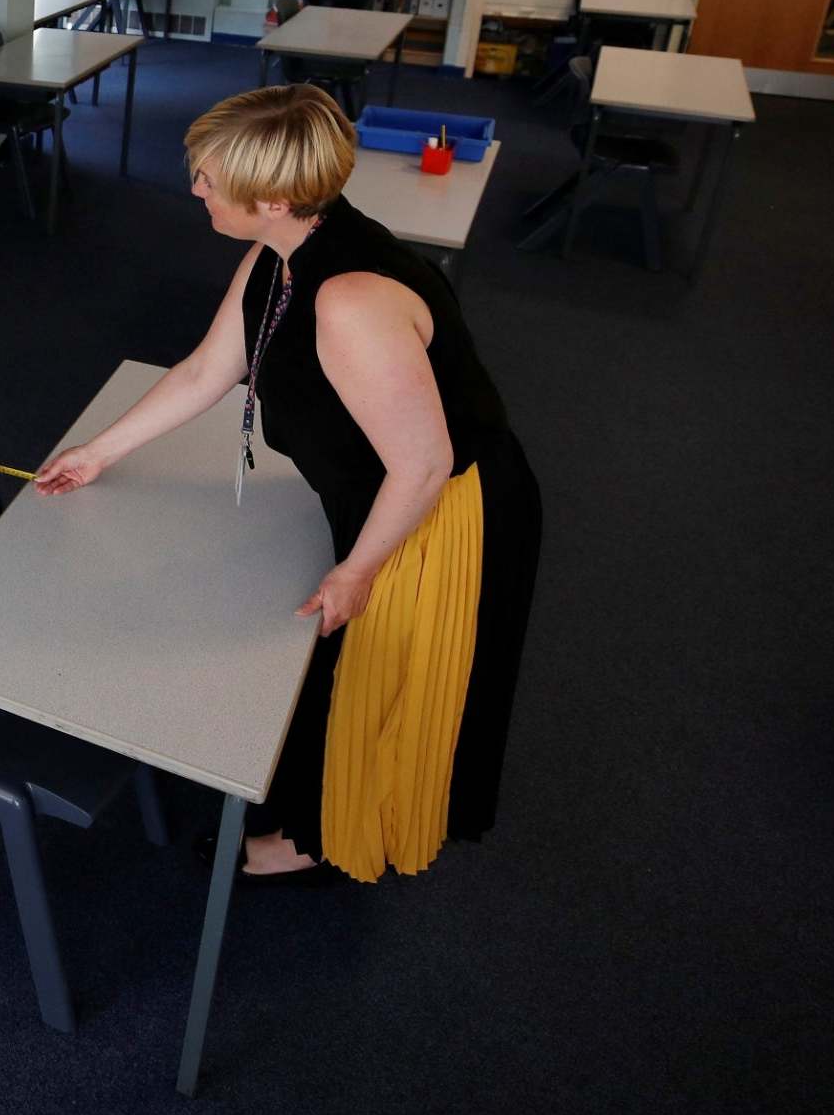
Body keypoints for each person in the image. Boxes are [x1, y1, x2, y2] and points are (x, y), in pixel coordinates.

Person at [34, 84, 541, 882]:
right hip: (378, 490)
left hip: (439, 513)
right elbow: (208, 370)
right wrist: (99, 453)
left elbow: (423, 466)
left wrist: (358, 570)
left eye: (208, 179)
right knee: (339, 669)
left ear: (272, 198)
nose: (194, 189)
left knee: (376, 678)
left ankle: (318, 840)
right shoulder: (282, 248)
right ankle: (315, 810)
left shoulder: (349, 301)